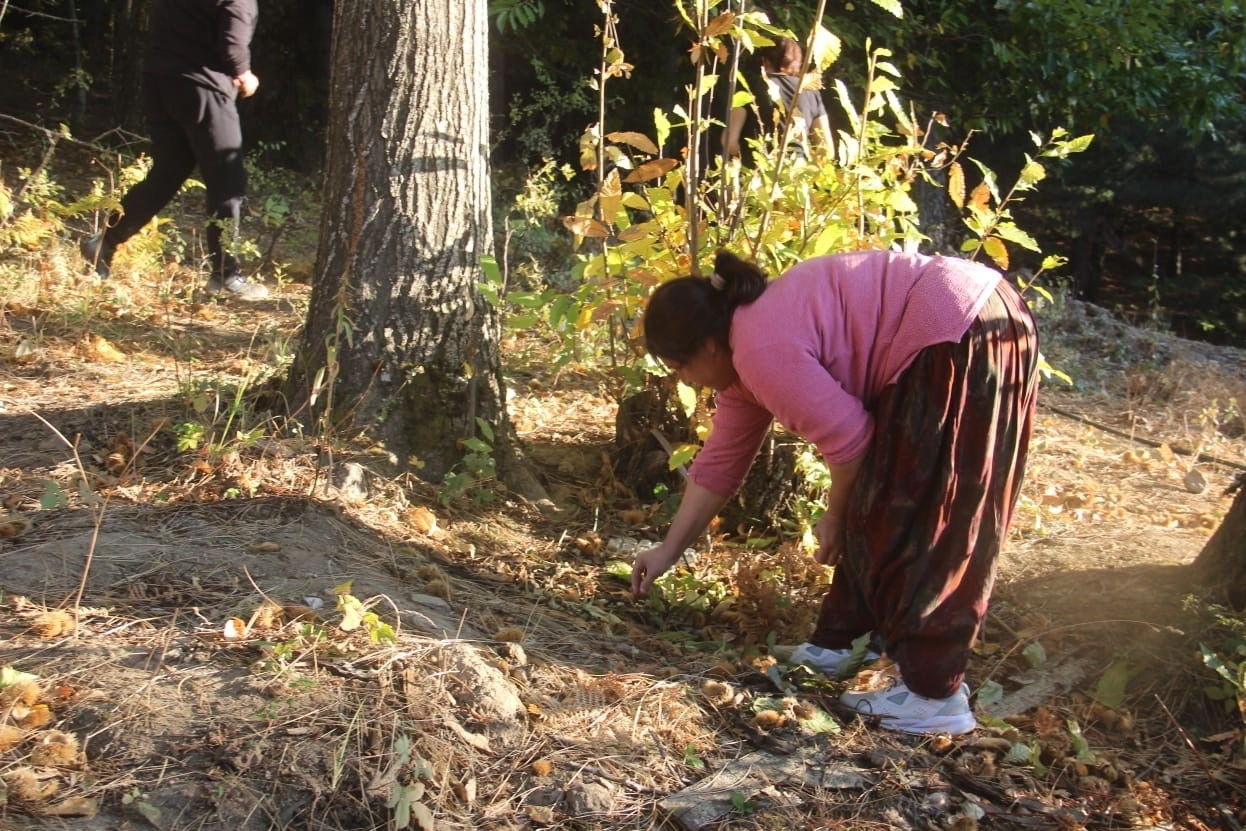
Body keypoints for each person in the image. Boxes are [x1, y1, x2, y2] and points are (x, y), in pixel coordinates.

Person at [632, 249, 1039, 735]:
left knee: (931, 506)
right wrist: (667, 551)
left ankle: (935, 695)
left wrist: (832, 514)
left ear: (707, 348)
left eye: (680, 368)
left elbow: (851, 445)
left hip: (962, 327)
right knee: (888, 490)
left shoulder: (759, 348)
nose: (685, 382)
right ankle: (842, 643)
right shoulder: (744, 357)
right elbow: (718, 466)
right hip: (962, 316)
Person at [80, 0, 268, 301]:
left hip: (160, 82)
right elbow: (233, 46)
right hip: (203, 89)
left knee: (168, 171)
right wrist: (245, 75)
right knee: (228, 183)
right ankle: (226, 276)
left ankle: (104, 243)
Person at [723, 37, 833, 163]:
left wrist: (748, 158)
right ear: (797, 63)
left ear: (764, 61)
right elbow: (826, 150)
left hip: (759, 172)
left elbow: (729, 141)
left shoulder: (750, 87)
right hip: (797, 173)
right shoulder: (811, 92)